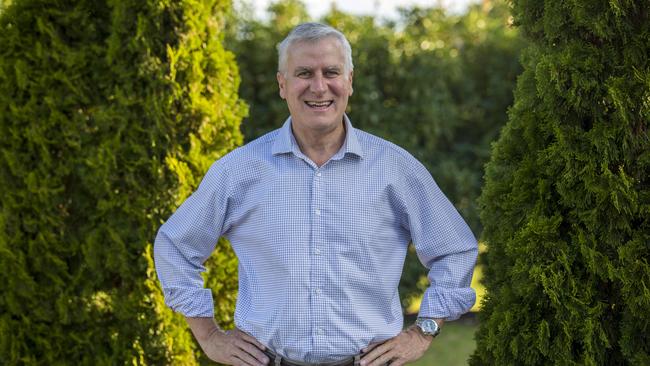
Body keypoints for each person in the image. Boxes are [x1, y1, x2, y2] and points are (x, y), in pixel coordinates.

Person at [154, 22, 478, 366]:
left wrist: (423, 329)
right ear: (283, 85)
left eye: (332, 72)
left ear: (349, 81)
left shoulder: (395, 168)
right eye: (304, 73)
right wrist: (209, 336)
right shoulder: (239, 171)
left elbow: (454, 250)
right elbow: (176, 246)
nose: (319, 86)